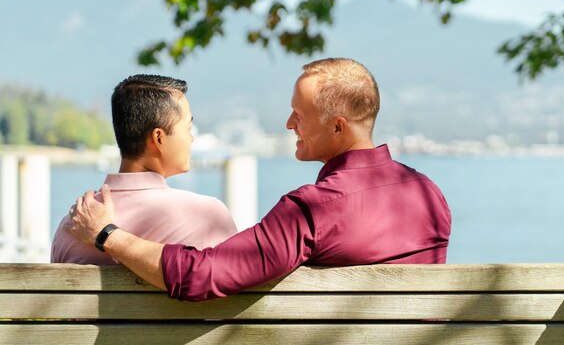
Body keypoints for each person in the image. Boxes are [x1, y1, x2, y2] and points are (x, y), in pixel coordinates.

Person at [66, 58, 451, 300]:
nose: (288, 124)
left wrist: (106, 235)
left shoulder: (311, 211)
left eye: (299, 115)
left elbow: (200, 275)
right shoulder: (430, 197)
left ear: (338, 127)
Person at [52, 74, 237, 264]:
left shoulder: (72, 226)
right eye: (188, 128)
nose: (192, 138)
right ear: (159, 138)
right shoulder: (208, 217)